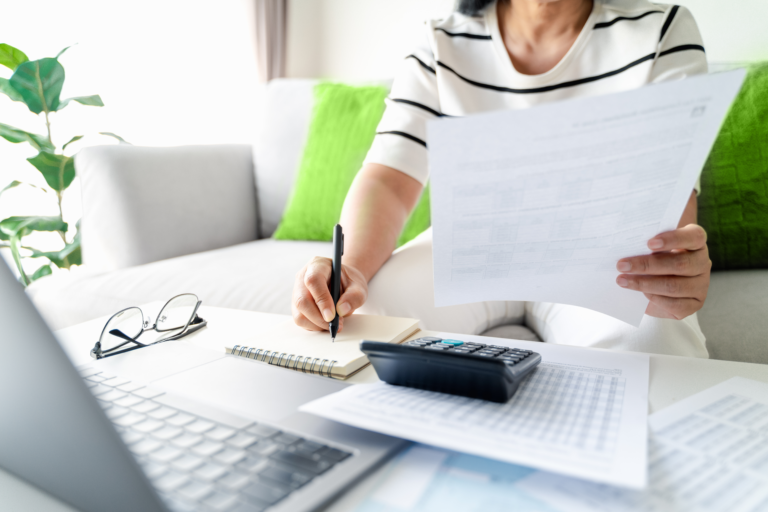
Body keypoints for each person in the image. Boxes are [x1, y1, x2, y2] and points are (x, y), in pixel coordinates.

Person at [292, 0, 712, 357]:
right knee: (368, 314)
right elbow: (388, 177)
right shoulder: (440, 42)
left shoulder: (661, 28)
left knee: (654, 333)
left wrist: (673, 269)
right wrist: (352, 269)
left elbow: (668, 189)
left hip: (601, 258)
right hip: (469, 247)